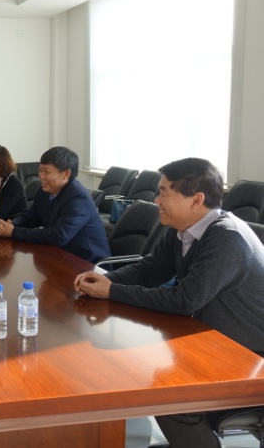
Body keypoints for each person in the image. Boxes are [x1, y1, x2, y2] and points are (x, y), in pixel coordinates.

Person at [73, 158, 264, 448]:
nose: (156, 200)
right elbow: (149, 270)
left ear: (196, 200)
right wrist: (102, 280)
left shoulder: (227, 239)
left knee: (173, 399)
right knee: (127, 366)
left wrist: (112, 292)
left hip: (250, 353)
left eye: (164, 193)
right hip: (214, 339)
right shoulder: (184, 229)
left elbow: (185, 300)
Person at [0, 146, 110, 263]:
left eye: (46, 171)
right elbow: (32, 216)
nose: (40, 176)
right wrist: (11, 224)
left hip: (88, 263)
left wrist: (14, 232)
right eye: (40, 170)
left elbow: (59, 236)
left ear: (66, 174)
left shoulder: (79, 198)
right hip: (60, 255)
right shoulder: (45, 190)